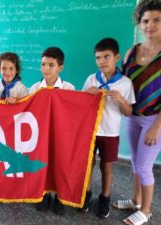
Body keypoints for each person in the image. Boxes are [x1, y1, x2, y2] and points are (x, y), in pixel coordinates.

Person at [113, 1, 161, 224]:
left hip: (155, 120)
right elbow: (121, 81)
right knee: (135, 162)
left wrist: (156, 127)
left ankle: (146, 211)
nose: (150, 25)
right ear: (140, 24)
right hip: (133, 117)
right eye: (145, 21)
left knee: (143, 166)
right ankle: (135, 199)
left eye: (156, 20)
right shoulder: (133, 51)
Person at [81, 38, 135, 218]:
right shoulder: (91, 79)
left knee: (107, 166)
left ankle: (104, 197)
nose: (102, 61)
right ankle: (85, 194)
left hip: (110, 133)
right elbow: (79, 105)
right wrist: (87, 95)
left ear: (117, 57)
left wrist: (121, 99)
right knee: (88, 165)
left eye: (106, 56)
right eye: (98, 58)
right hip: (90, 131)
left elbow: (128, 112)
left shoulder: (125, 83)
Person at [29, 47, 75, 215]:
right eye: (43, 64)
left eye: (51, 65)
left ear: (60, 68)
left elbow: (74, 114)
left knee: (59, 164)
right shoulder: (34, 88)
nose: (46, 69)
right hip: (40, 136)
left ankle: (59, 196)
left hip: (61, 136)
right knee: (42, 164)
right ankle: (44, 194)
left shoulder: (69, 88)